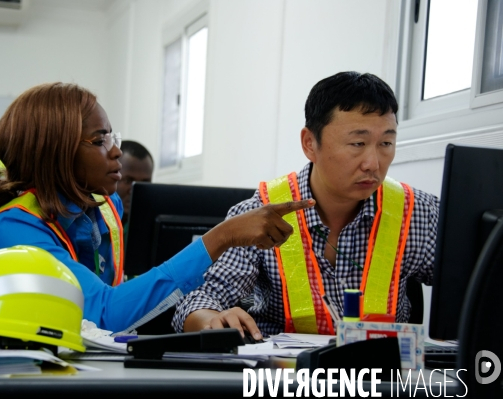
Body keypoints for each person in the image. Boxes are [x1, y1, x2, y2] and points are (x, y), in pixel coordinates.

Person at [0, 82, 315, 334]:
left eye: (112, 136)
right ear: (55, 151)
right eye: (100, 140)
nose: (116, 151)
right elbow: (103, 313)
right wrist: (221, 237)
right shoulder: (16, 229)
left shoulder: (101, 208)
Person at [172, 71, 440, 340]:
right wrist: (213, 319)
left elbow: (471, 288)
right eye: (357, 143)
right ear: (310, 143)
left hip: (384, 378)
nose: (373, 163)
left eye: (386, 143)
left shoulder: (419, 212)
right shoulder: (260, 214)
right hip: (283, 377)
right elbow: (199, 301)